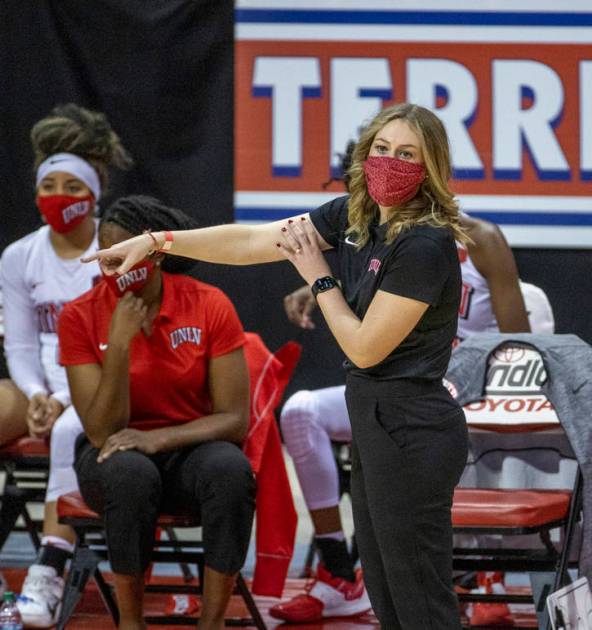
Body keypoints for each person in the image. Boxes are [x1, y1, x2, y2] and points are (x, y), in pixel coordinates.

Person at [87, 103, 473, 629]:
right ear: (364, 154)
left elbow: (364, 348)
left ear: (430, 167)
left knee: (420, 599)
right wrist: (158, 243)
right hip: (375, 417)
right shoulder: (355, 218)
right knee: (387, 592)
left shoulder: (425, 243)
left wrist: (318, 275)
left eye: (407, 154)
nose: (390, 162)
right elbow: (251, 241)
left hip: (414, 425)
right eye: (382, 149)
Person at [271, 144, 529, 624]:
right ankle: (336, 568)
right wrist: (321, 285)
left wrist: (321, 282)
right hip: (387, 389)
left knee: (415, 565)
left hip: (454, 387)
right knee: (300, 412)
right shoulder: (365, 238)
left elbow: (518, 341)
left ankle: (483, 573)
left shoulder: (476, 239)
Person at [59, 195, 256, 630]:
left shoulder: (209, 304)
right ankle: (131, 622)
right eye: (108, 257)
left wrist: (157, 439)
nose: (118, 267)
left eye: (126, 253)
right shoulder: (79, 316)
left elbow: (233, 420)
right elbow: (100, 432)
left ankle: (213, 622)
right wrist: (119, 345)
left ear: (157, 254)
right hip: (112, 456)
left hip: (189, 450)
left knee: (230, 469)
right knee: (131, 474)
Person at [0, 103, 131, 628]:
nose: (58, 197)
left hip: (103, 382)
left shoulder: (117, 247)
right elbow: (24, 346)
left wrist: (62, 399)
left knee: (70, 430)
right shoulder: (18, 257)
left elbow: (120, 344)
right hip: (43, 385)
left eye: (71, 187)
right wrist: (34, 393)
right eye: (47, 185)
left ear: (94, 194)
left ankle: (48, 570)